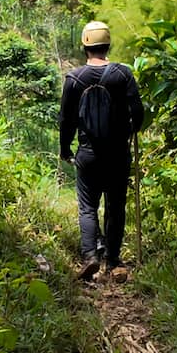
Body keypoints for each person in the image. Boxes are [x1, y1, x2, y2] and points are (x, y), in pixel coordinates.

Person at [59, 21, 144, 281]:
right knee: (116, 206)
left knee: (87, 207)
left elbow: (66, 120)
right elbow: (138, 112)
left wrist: (65, 149)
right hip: (118, 153)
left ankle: (90, 256)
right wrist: (130, 132)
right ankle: (113, 260)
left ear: (85, 45)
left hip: (88, 153)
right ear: (108, 45)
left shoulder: (74, 79)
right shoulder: (123, 74)